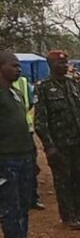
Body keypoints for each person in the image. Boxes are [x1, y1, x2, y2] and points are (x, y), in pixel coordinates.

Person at [34, 50, 80, 230]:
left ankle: (78, 212)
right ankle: (68, 216)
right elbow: (40, 121)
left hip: (77, 141)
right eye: (60, 64)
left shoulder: (73, 83)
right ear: (51, 65)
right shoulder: (43, 87)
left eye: (66, 63)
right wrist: (49, 146)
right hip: (59, 144)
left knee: (79, 177)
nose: (64, 66)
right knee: (63, 180)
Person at [0, 52, 44, 238]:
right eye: (13, 65)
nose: (18, 69)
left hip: (24, 156)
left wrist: (32, 155)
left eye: (19, 65)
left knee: (24, 205)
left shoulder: (16, 93)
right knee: (11, 208)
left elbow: (23, 126)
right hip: (6, 160)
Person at [12, 73, 45, 211]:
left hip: (26, 130)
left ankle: (31, 198)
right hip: (5, 135)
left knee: (30, 165)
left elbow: (31, 103)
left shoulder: (23, 81)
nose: (17, 69)